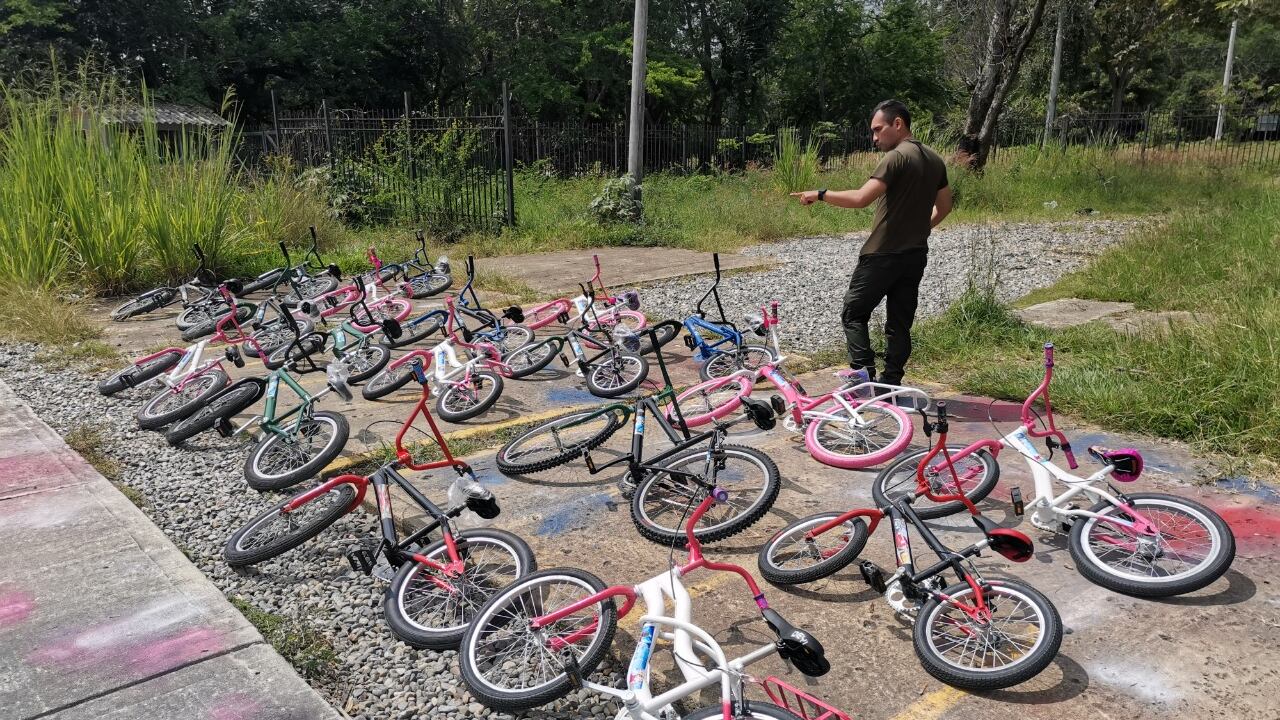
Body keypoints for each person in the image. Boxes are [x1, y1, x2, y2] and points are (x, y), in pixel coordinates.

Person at [791, 99, 952, 387]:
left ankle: (863, 376)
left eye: (879, 130)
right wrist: (919, 227)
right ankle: (891, 383)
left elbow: (861, 198)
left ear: (898, 124)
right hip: (915, 254)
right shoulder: (935, 159)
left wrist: (820, 193)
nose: (875, 138)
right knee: (899, 323)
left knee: (853, 312)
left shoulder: (897, 157)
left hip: (882, 254)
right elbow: (945, 207)